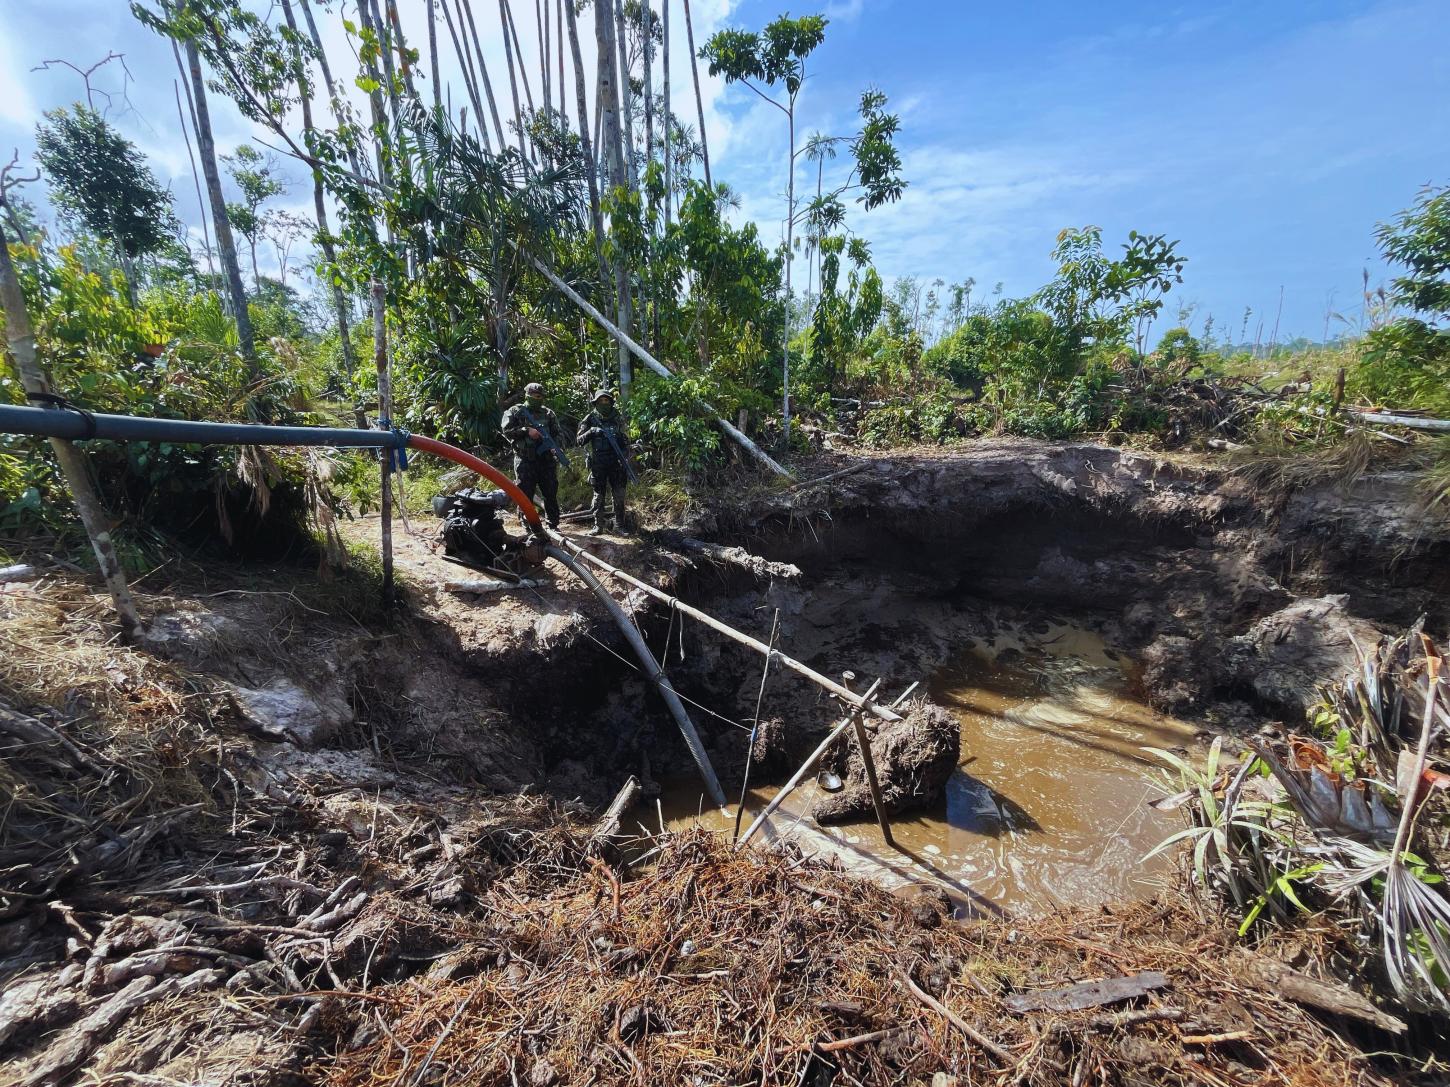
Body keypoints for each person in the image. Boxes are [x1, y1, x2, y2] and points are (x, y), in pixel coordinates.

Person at [500, 382, 564, 530]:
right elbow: (507, 430)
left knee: (550, 493)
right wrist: (526, 430)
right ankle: (527, 524)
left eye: (540, 396)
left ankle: (553, 525)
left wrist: (556, 446)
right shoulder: (515, 411)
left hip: (546, 461)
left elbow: (558, 434)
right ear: (527, 396)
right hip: (525, 460)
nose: (538, 399)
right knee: (524, 494)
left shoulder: (548, 414)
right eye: (535, 396)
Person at [576, 388, 633, 536]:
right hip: (598, 462)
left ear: (611, 402)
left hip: (616, 462)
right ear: (596, 403)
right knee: (598, 495)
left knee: (619, 495)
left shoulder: (618, 418)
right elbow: (579, 440)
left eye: (606, 400)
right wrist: (592, 431)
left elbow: (627, 440)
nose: (604, 403)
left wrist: (621, 443)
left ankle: (619, 526)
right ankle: (598, 526)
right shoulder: (590, 418)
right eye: (601, 401)